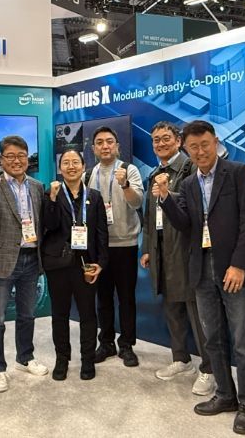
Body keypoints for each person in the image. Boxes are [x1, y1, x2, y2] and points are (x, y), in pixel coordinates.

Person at [157, 120, 245, 435]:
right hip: (201, 270)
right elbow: (184, 224)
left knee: (242, 341)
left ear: (215, 142)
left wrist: (240, 265)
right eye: (194, 147)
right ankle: (225, 394)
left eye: (205, 144)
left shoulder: (238, 172)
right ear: (186, 148)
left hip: (233, 269)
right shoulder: (189, 183)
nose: (200, 151)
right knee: (212, 338)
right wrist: (165, 197)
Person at [140, 121, 213, 396]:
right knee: (171, 306)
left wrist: (168, 193)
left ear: (178, 141)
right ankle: (181, 359)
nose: (160, 144)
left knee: (197, 311)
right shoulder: (154, 173)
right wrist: (147, 248)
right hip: (161, 248)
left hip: (186, 248)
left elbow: (197, 204)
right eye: (156, 140)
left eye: (165, 138)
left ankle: (209, 369)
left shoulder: (190, 167)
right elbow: (148, 216)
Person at [0, 135, 48, 393]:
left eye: (21, 156)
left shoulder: (37, 187)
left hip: (31, 258)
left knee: (27, 314)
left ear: (27, 158)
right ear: (1, 159)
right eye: (10, 156)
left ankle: (25, 357)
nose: (16, 161)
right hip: (2, 260)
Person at [41, 148, 108, 381]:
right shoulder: (51, 192)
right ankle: (62, 359)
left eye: (75, 162)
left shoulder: (95, 196)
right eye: (66, 163)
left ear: (83, 166)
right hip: (58, 263)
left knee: (88, 314)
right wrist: (51, 199)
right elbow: (49, 225)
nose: (71, 166)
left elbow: (101, 232)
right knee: (59, 314)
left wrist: (101, 262)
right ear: (60, 169)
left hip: (86, 263)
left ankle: (88, 359)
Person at [87, 126, 144, 367]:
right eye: (100, 142)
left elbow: (138, 202)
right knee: (103, 298)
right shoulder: (89, 174)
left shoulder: (129, 170)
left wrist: (125, 185)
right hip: (99, 247)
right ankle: (107, 342)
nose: (105, 146)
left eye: (109, 141)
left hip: (125, 244)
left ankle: (127, 345)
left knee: (126, 298)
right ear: (93, 148)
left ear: (117, 146)